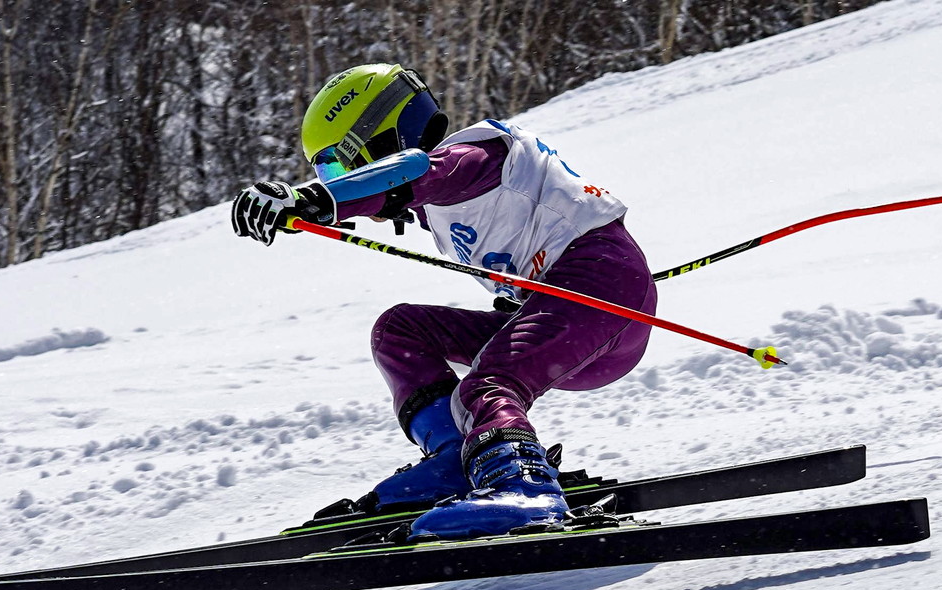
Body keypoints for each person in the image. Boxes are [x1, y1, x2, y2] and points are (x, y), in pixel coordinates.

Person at [231, 64, 657, 540]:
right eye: (326, 172)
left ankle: (525, 488)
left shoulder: (473, 157)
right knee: (400, 332)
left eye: (335, 164)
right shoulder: (440, 205)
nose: (337, 176)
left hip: (600, 285)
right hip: (574, 317)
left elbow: (412, 171)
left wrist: (312, 198)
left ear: (369, 140)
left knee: (489, 384)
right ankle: (457, 459)